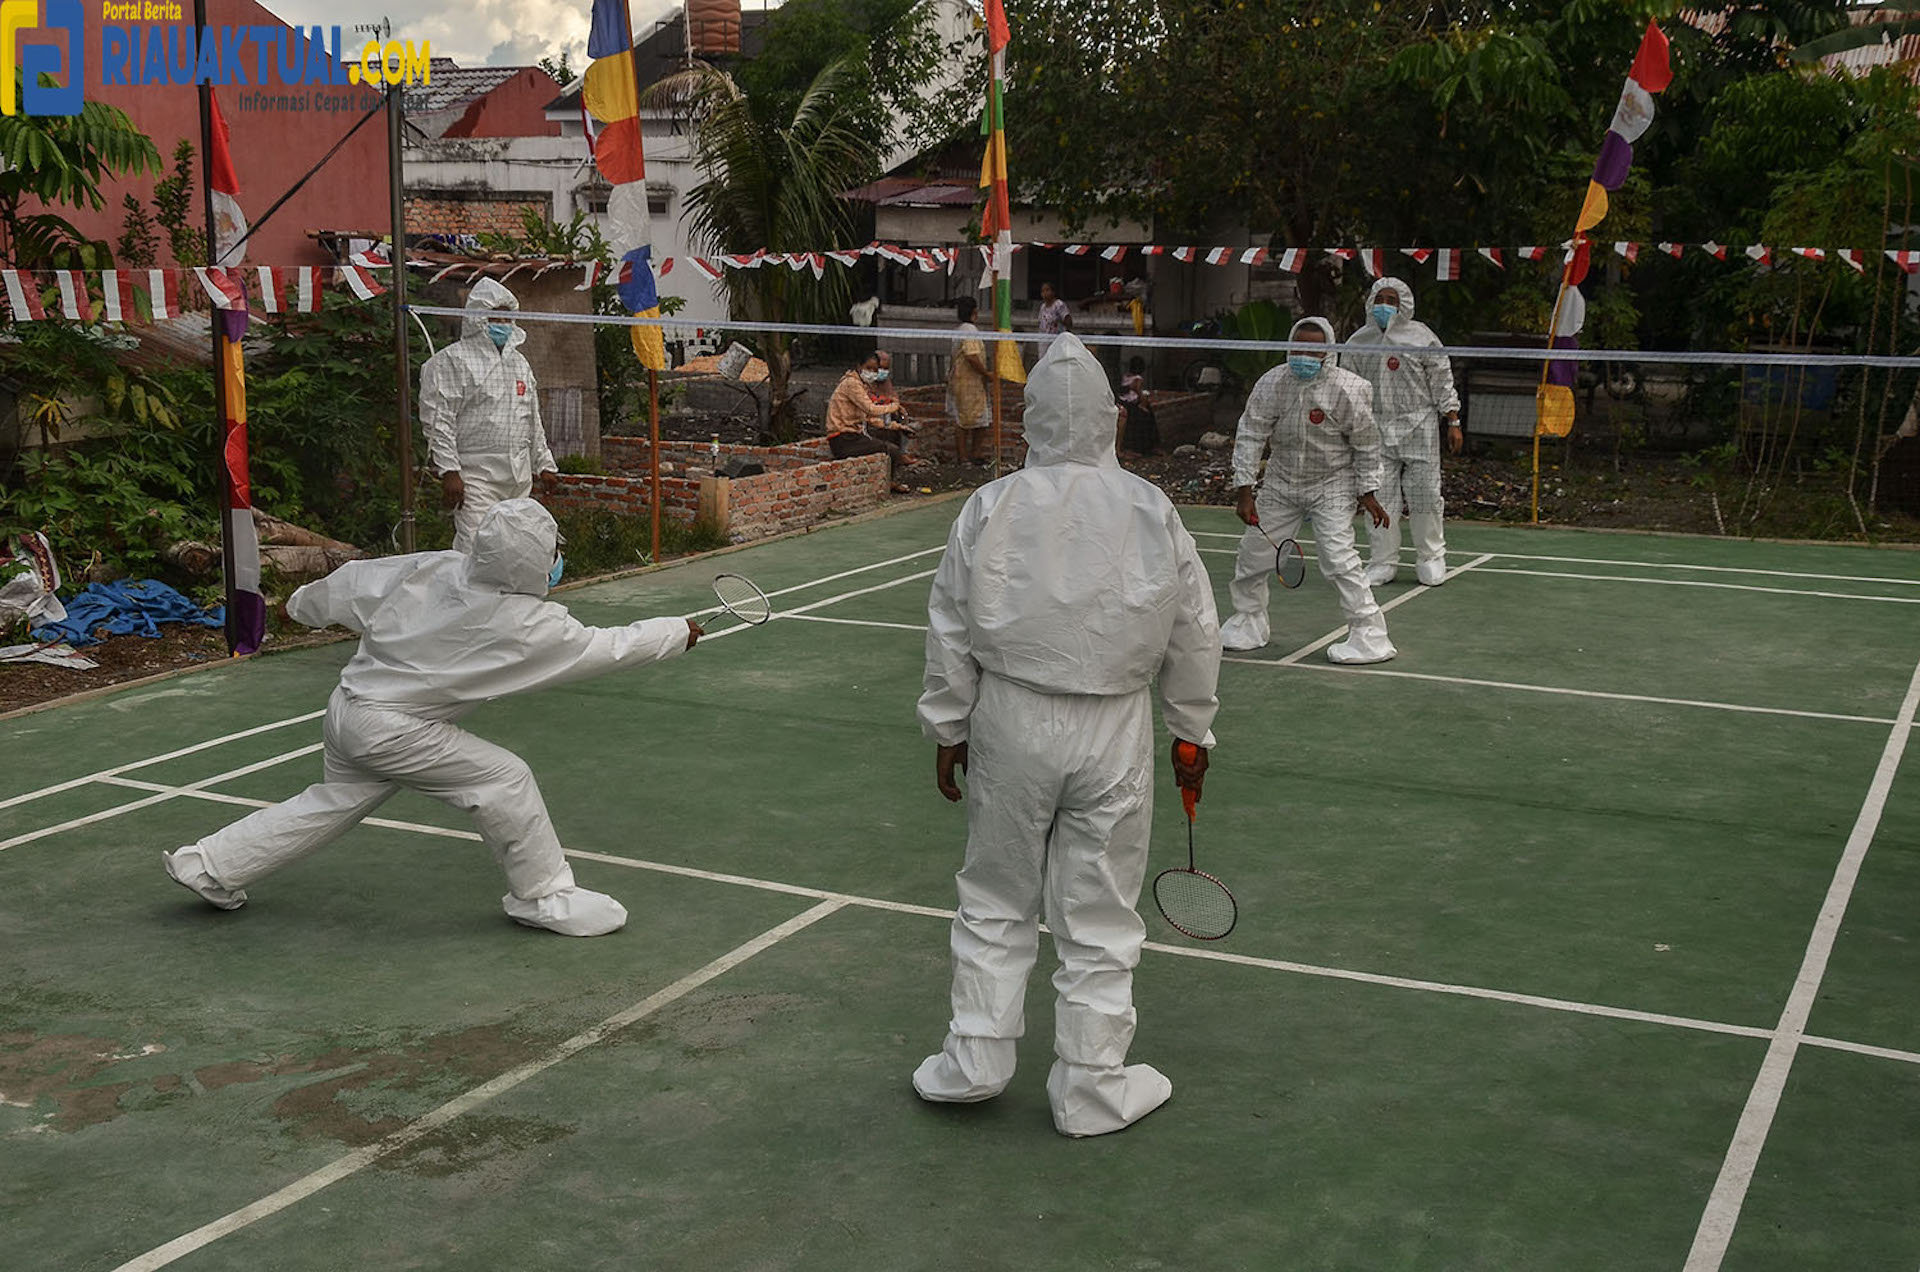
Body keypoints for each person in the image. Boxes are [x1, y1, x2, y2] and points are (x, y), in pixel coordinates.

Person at [913, 333, 1222, 1138]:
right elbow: (1195, 630)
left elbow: (951, 622)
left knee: (995, 894)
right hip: (1115, 724)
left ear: (1034, 419)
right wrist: (1191, 731)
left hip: (1011, 718)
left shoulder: (992, 504)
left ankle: (974, 1061)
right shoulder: (1151, 508)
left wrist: (948, 724)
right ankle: (1090, 1085)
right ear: (1111, 419)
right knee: (1100, 909)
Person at [161, 499, 700, 937]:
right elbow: (609, 647)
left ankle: (209, 866)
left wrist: (298, 606)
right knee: (504, 779)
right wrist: (678, 632)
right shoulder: (528, 624)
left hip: (346, 709)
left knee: (333, 801)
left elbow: (353, 585)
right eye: (553, 551)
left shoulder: (436, 567)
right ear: (536, 561)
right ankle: (542, 897)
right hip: (392, 729)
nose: (558, 558)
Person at [1219, 317, 1396, 664]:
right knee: (1254, 554)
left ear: (1328, 352)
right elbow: (1251, 433)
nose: (1304, 356)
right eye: (1298, 348)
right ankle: (1248, 622)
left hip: (1332, 482)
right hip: (1281, 481)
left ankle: (1369, 635)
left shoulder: (1350, 388)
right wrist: (1244, 489)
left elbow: (1366, 444)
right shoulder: (1272, 382)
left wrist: (1368, 492)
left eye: (1314, 351)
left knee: (1338, 558)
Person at [420, 279, 557, 552]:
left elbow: (531, 418)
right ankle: (464, 583)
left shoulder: (519, 363)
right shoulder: (451, 361)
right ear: (478, 317)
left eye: (507, 317)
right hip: (476, 474)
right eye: (496, 317)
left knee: (515, 547)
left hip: (518, 474)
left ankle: (511, 584)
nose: (503, 324)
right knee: (476, 545)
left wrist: (544, 463)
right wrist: (449, 470)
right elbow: (439, 419)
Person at [1343, 276, 1462, 586]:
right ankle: (1383, 561)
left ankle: (1431, 557)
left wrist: (1453, 420)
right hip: (1375, 429)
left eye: (1392, 301)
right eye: (1380, 299)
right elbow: (1347, 388)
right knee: (1380, 496)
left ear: (1404, 305)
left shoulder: (1422, 338)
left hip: (1419, 426)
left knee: (1425, 494)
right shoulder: (1358, 342)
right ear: (1370, 302)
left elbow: (1442, 380)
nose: (1384, 306)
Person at [827, 350, 914, 493]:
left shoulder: (862, 385)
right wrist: (894, 406)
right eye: (868, 368)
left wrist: (897, 426)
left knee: (891, 435)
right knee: (891, 450)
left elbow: (870, 418)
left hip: (854, 435)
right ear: (859, 366)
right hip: (843, 439)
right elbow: (871, 409)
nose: (872, 373)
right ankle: (888, 483)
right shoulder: (851, 384)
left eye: (875, 370)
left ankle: (886, 478)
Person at [949, 296, 993, 467]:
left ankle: (975, 453)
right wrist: (986, 373)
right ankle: (963, 457)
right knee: (964, 420)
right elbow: (971, 356)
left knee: (980, 419)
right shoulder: (969, 330)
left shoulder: (961, 330)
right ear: (974, 311)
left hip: (967, 381)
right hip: (967, 381)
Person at [1118, 356, 1158, 457]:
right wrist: (1143, 402)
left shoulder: (1125, 376)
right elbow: (1138, 392)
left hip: (1124, 400)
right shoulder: (1137, 379)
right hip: (1132, 402)